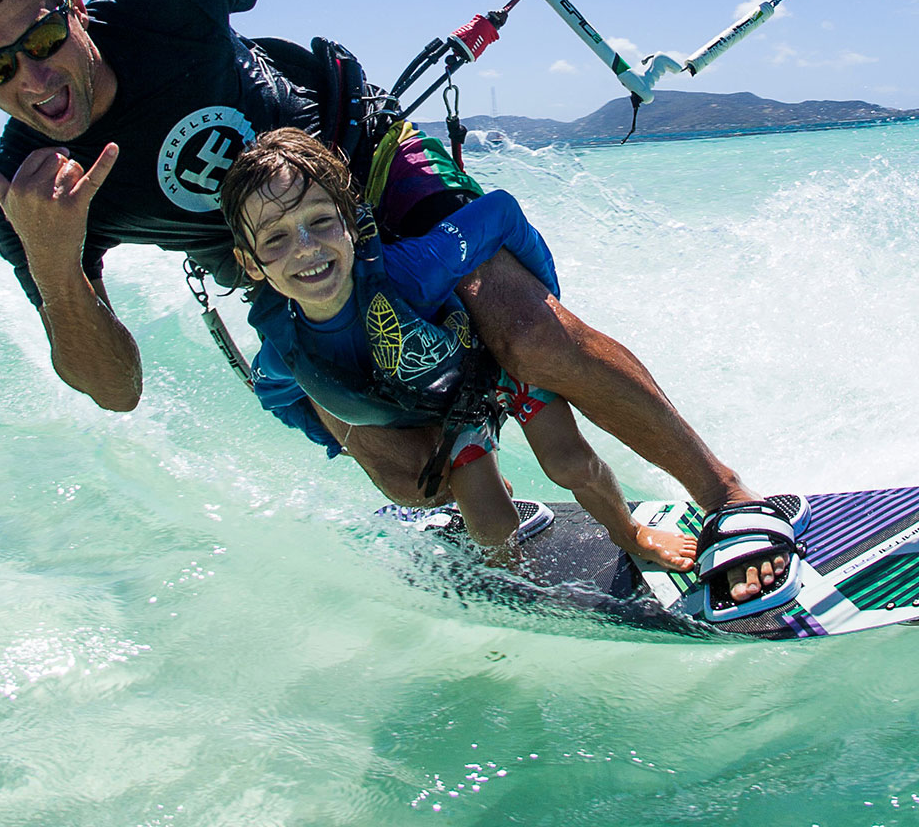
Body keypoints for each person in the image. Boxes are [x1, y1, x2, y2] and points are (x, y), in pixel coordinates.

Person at [0, 0, 794, 608]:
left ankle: (725, 496)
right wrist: (53, 260)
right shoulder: (29, 194)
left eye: (43, 43)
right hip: (278, 253)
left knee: (524, 334)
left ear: (75, 7)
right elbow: (115, 392)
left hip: (363, 155)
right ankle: (479, 482)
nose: (33, 82)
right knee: (398, 466)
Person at [220, 127, 699, 571]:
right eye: (277, 238)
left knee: (568, 463)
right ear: (251, 263)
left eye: (321, 222)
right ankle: (509, 575)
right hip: (455, 408)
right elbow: (278, 394)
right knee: (491, 524)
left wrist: (547, 299)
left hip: (497, 369)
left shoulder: (411, 271)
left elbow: (501, 212)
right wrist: (333, 440)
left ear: (351, 224)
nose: (305, 248)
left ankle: (630, 533)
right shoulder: (285, 345)